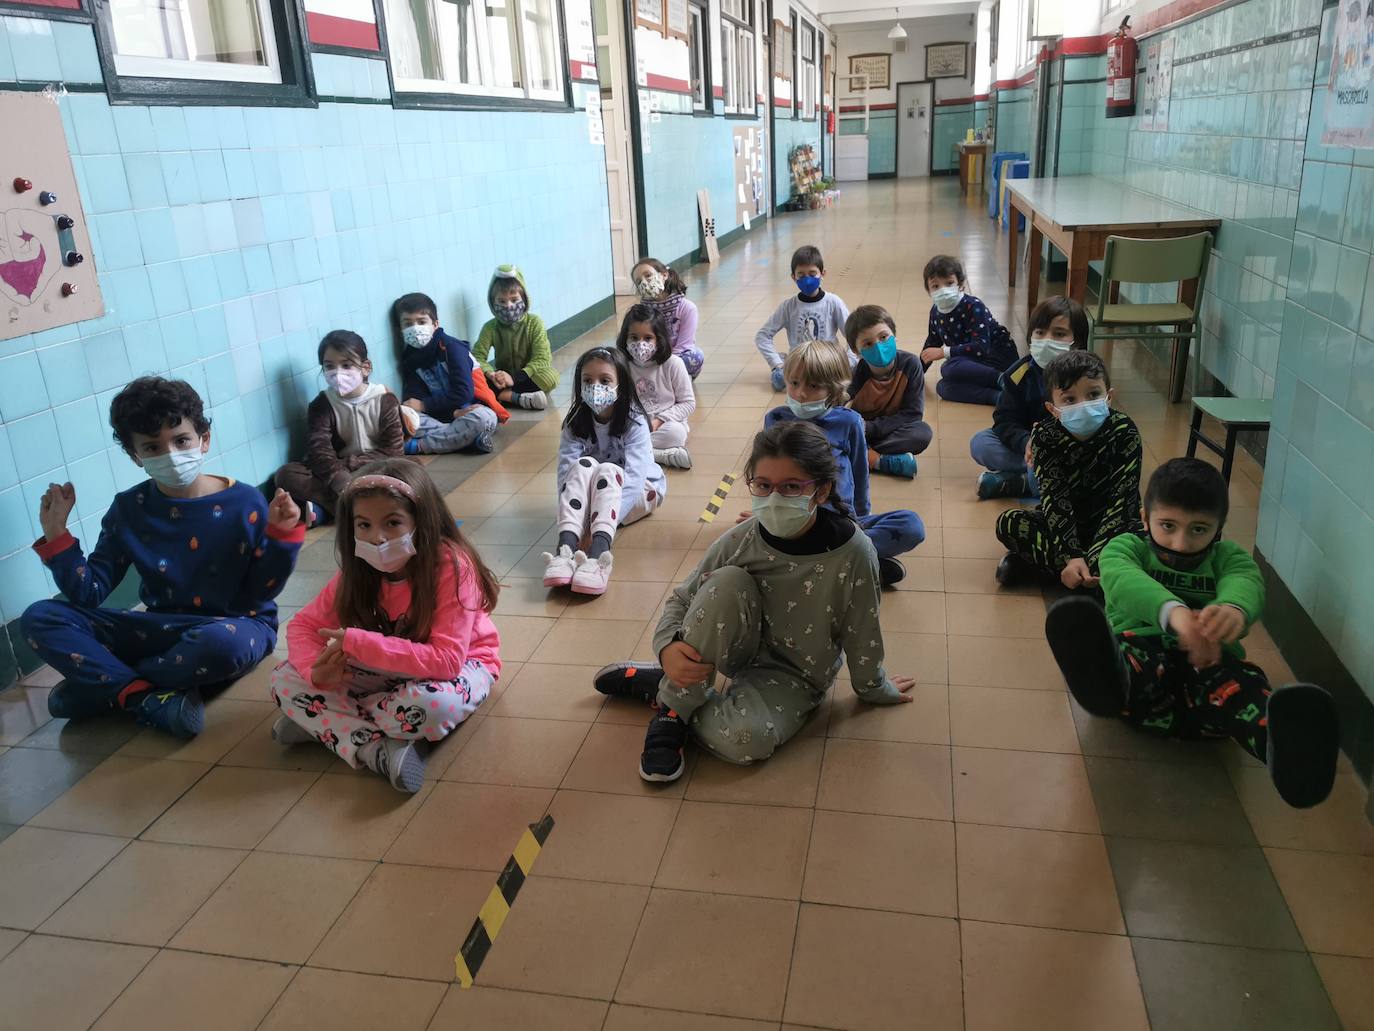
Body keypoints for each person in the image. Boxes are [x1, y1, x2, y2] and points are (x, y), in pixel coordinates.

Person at [592, 422, 917, 782]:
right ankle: (672, 709)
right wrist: (668, 648)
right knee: (726, 581)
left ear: (822, 491)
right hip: (736, 649)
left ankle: (665, 686)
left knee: (747, 741)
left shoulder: (854, 552)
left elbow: (862, 630)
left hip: (797, 675)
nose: (774, 498)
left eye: (792, 487)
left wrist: (874, 686)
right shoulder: (740, 539)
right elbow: (682, 599)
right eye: (763, 485)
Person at [1047, 458, 1339, 809]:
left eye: (1199, 529)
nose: (1182, 542)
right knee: (1130, 659)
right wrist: (1177, 616)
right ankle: (1104, 683)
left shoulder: (1228, 558)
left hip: (1210, 688)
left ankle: (1282, 750)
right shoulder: (1127, 548)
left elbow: (1245, 584)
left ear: (1219, 528)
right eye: (1168, 525)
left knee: (1242, 685)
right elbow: (1122, 581)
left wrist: (1234, 610)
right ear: (1144, 518)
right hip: (1143, 681)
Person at [21, 377, 304, 738]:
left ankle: (106, 688)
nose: (170, 454)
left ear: (204, 439)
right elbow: (89, 593)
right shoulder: (129, 508)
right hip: (158, 629)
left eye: (181, 440)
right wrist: (58, 536)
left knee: (219, 644)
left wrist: (282, 536)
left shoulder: (245, 502)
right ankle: (143, 695)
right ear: (135, 456)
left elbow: (263, 592)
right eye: (152, 447)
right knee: (40, 617)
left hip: (236, 626)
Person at [269, 461, 501, 793]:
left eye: (392, 523)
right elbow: (304, 626)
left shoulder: (452, 565)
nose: (376, 538)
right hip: (388, 669)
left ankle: (327, 723)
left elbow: (447, 660)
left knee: (432, 704)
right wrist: (316, 673)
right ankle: (377, 749)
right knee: (283, 678)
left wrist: (358, 645)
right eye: (363, 524)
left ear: (423, 522)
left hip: (461, 666)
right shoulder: (360, 569)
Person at [763, 339, 925, 587]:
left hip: (842, 521)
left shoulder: (849, 421)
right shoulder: (775, 419)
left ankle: (835, 562)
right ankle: (855, 564)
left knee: (912, 525)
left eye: (814, 385)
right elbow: (765, 474)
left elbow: (860, 471)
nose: (801, 393)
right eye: (794, 383)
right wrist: (765, 512)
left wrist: (860, 518)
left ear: (833, 388)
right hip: (795, 522)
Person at [994, 350, 1142, 588]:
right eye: (1070, 399)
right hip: (1065, 526)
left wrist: (1095, 557)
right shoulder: (1045, 436)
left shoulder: (1124, 431)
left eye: (1093, 394)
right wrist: (1073, 555)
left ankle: (1054, 571)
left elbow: (1122, 502)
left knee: (1146, 540)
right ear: (1052, 408)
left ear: (1109, 396)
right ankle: (1086, 575)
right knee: (1009, 522)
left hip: (1114, 528)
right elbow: (1055, 498)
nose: (1083, 405)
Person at [543, 347, 667, 596]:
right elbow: (565, 474)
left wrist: (594, 528)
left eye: (605, 380)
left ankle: (599, 554)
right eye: (587, 380)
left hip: (640, 491)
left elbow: (632, 479)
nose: (595, 386)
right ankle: (565, 549)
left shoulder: (634, 421)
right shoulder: (575, 421)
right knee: (581, 466)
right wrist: (575, 523)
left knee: (610, 471)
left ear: (621, 384)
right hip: (595, 490)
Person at [274, 330, 406, 527]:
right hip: (337, 475)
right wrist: (340, 479)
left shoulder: (384, 400)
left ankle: (327, 510)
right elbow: (320, 451)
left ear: (365, 367)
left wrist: (350, 467)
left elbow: (393, 450)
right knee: (287, 474)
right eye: (329, 366)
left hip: (374, 467)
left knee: (408, 470)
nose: (338, 373)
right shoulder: (321, 404)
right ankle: (356, 509)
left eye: (346, 365)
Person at [972, 296, 1088, 500]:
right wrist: (1027, 442)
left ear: (1076, 342)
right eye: (1040, 333)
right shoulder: (1018, 374)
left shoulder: (1087, 376)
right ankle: (1032, 477)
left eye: (1059, 334)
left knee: (1048, 475)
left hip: (1071, 452)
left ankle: (1020, 482)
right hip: (1030, 451)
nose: (1046, 341)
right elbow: (1005, 421)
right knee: (981, 443)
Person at [393, 291, 498, 455]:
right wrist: (452, 413)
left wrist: (424, 405)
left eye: (422, 322)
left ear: (435, 324)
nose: (415, 328)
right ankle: (467, 440)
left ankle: (418, 447)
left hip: (471, 409)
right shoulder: (409, 358)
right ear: (400, 329)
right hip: (441, 416)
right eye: (408, 324)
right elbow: (413, 400)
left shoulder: (452, 348)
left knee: (483, 418)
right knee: (403, 417)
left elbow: (463, 392)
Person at [845, 304, 932, 480]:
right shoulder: (856, 374)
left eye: (884, 337)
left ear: (894, 335)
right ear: (856, 351)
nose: (878, 346)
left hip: (889, 430)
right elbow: (842, 406)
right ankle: (879, 461)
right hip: (863, 433)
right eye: (868, 344)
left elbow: (912, 415)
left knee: (922, 432)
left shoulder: (911, 364)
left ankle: (863, 457)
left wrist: (870, 428)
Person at [919, 254, 1018, 406]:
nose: (943, 290)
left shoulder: (973, 305)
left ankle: (1004, 380)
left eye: (949, 283)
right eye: (936, 286)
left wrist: (944, 352)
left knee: (948, 368)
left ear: (960, 284)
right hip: (969, 363)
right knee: (943, 387)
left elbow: (981, 346)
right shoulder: (935, 311)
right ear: (928, 290)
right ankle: (999, 398)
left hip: (995, 357)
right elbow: (932, 343)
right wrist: (916, 375)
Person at [754, 244, 852, 391]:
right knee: (780, 381)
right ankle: (784, 362)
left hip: (827, 362)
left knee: (839, 381)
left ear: (822, 273)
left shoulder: (833, 302)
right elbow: (762, 336)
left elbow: (853, 334)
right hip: (799, 363)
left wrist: (849, 362)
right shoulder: (788, 306)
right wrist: (776, 364)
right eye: (801, 274)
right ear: (793, 277)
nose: (807, 279)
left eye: (812, 274)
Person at [616, 302, 696, 470]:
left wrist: (658, 420)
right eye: (634, 338)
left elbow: (688, 403)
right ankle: (659, 455)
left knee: (676, 434)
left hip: (665, 424)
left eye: (648, 338)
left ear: (658, 339)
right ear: (625, 338)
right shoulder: (622, 365)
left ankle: (627, 453)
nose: (640, 344)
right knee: (613, 432)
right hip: (634, 423)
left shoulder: (673, 364)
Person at [474, 264, 559, 411]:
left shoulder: (534, 323)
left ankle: (504, 397)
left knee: (551, 376)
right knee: (474, 380)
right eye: (501, 301)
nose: (508, 306)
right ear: (493, 303)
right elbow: (477, 358)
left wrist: (514, 378)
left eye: (514, 300)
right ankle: (518, 398)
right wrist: (492, 374)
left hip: (526, 377)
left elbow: (542, 358)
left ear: (524, 298)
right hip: (501, 379)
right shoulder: (490, 327)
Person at [632, 257, 704, 378]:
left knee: (695, 356)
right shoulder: (640, 311)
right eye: (639, 281)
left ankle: (672, 379)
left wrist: (666, 365)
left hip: (677, 358)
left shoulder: (687, 308)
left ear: (664, 275)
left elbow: (684, 345)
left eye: (648, 275)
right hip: (650, 359)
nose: (644, 282)